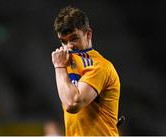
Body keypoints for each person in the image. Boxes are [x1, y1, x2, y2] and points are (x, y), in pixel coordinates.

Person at [51, 6, 120, 136]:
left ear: (88, 34)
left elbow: (73, 104)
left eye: (74, 38)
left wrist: (59, 67)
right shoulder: (67, 60)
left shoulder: (100, 66)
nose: (69, 46)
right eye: (63, 41)